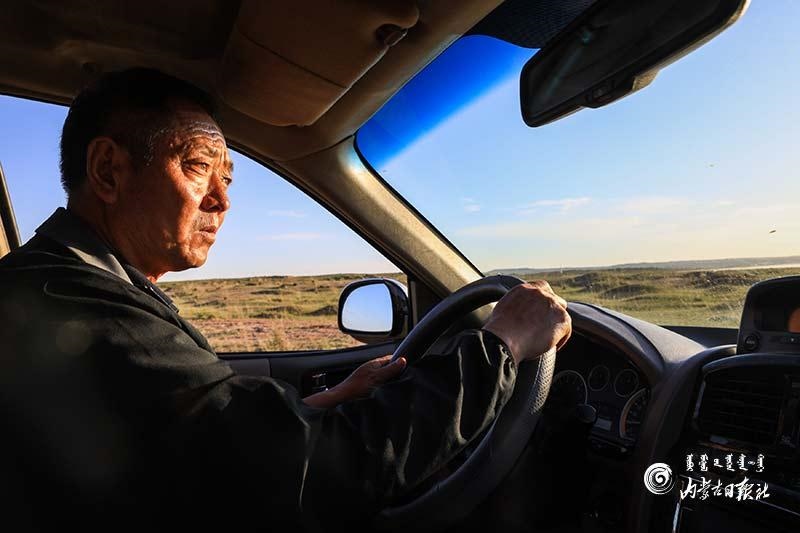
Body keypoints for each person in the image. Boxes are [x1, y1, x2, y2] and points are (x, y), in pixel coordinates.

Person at [0, 68, 571, 532]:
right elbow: (306, 473)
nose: (222, 200)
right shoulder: (79, 307)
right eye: (198, 166)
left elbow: (196, 437)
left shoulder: (71, 285)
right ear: (108, 171)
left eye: (227, 178)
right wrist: (503, 343)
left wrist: (330, 399)